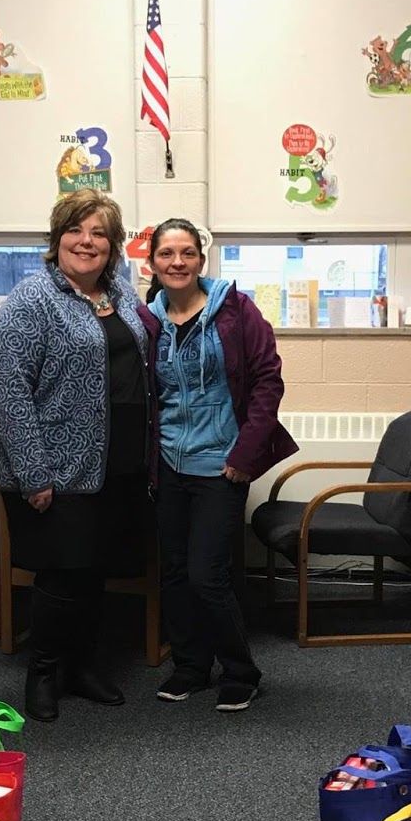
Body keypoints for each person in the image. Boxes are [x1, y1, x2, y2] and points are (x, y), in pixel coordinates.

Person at [0, 192, 149, 723]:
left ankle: (82, 667)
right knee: (61, 576)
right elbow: (10, 392)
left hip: (116, 464)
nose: (87, 241)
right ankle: (43, 672)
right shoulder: (30, 300)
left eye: (99, 233)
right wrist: (35, 473)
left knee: (94, 572)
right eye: (76, 230)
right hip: (56, 466)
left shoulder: (122, 295)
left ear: (114, 245)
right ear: (56, 239)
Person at [138, 220, 296, 711]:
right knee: (176, 573)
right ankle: (190, 665)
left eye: (187, 253)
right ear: (153, 263)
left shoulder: (235, 310)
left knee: (209, 574)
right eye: (167, 254)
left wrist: (245, 455)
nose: (177, 262)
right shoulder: (146, 318)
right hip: (167, 464)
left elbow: (268, 380)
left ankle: (240, 670)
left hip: (221, 465)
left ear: (201, 261)